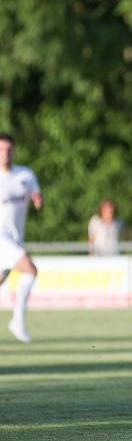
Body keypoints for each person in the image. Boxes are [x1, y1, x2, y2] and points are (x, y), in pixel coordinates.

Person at [0, 133, 43, 343]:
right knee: (31, 270)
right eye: (1, 150)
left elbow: (36, 194)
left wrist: (37, 199)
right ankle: (18, 321)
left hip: (15, 240)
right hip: (1, 240)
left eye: (8, 149)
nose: (5, 154)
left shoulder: (25, 175)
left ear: (14, 151)